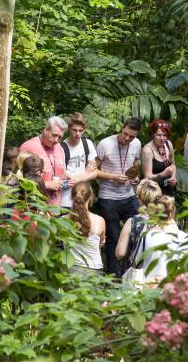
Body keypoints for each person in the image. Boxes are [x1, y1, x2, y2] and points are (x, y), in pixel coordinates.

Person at [95, 117, 143, 275]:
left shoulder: (136, 144)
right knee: (113, 238)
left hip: (128, 195)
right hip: (108, 197)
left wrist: (135, 177)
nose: (127, 138)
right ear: (121, 129)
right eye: (125, 134)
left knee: (139, 231)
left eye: (132, 136)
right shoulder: (105, 144)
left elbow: (135, 166)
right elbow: (94, 172)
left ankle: (133, 271)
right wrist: (113, 177)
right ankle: (114, 277)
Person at [140, 195, 188, 283]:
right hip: (175, 290)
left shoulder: (146, 236)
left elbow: (138, 263)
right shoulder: (185, 238)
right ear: (173, 213)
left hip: (151, 289)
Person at [19, 116, 68, 207]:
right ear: (45, 130)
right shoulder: (28, 147)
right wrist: (46, 184)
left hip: (55, 206)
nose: (56, 140)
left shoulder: (59, 148)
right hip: (34, 206)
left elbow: (62, 172)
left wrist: (66, 177)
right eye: (54, 135)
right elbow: (19, 180)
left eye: (60, 137)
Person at [115, 179, 162, 263]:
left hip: (136, 271)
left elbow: (120, 253)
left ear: (140, 199)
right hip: (159, 269)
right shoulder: (167, 221)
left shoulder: (132, 222)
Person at [60, 113, 98, 209]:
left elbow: (94, 172)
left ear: (84, 130)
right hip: (65, 199)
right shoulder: (61, 148)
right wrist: (85, 173)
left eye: (80, 131)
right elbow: (61, 177)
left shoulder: (87, 144)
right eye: (74, 130)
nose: (77, 134)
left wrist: (77, 178)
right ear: (69, 128)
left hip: (83, 197)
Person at [67, 182, 105, 276]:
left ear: (72, 198)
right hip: (94, 270)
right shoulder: (99, 221)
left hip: (71, 270)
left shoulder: (63, 221)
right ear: (91, 197)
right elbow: (100, 243)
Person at [141, 119, 177, 197]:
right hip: (152, 192)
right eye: (159, 135)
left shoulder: (168, 144)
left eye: (164, 135)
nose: (162, 138)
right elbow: (147, 177)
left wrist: (173, 177)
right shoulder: (147, 150)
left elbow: (173, 165)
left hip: (167, 189)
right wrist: (163, 174)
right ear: (153, 134)